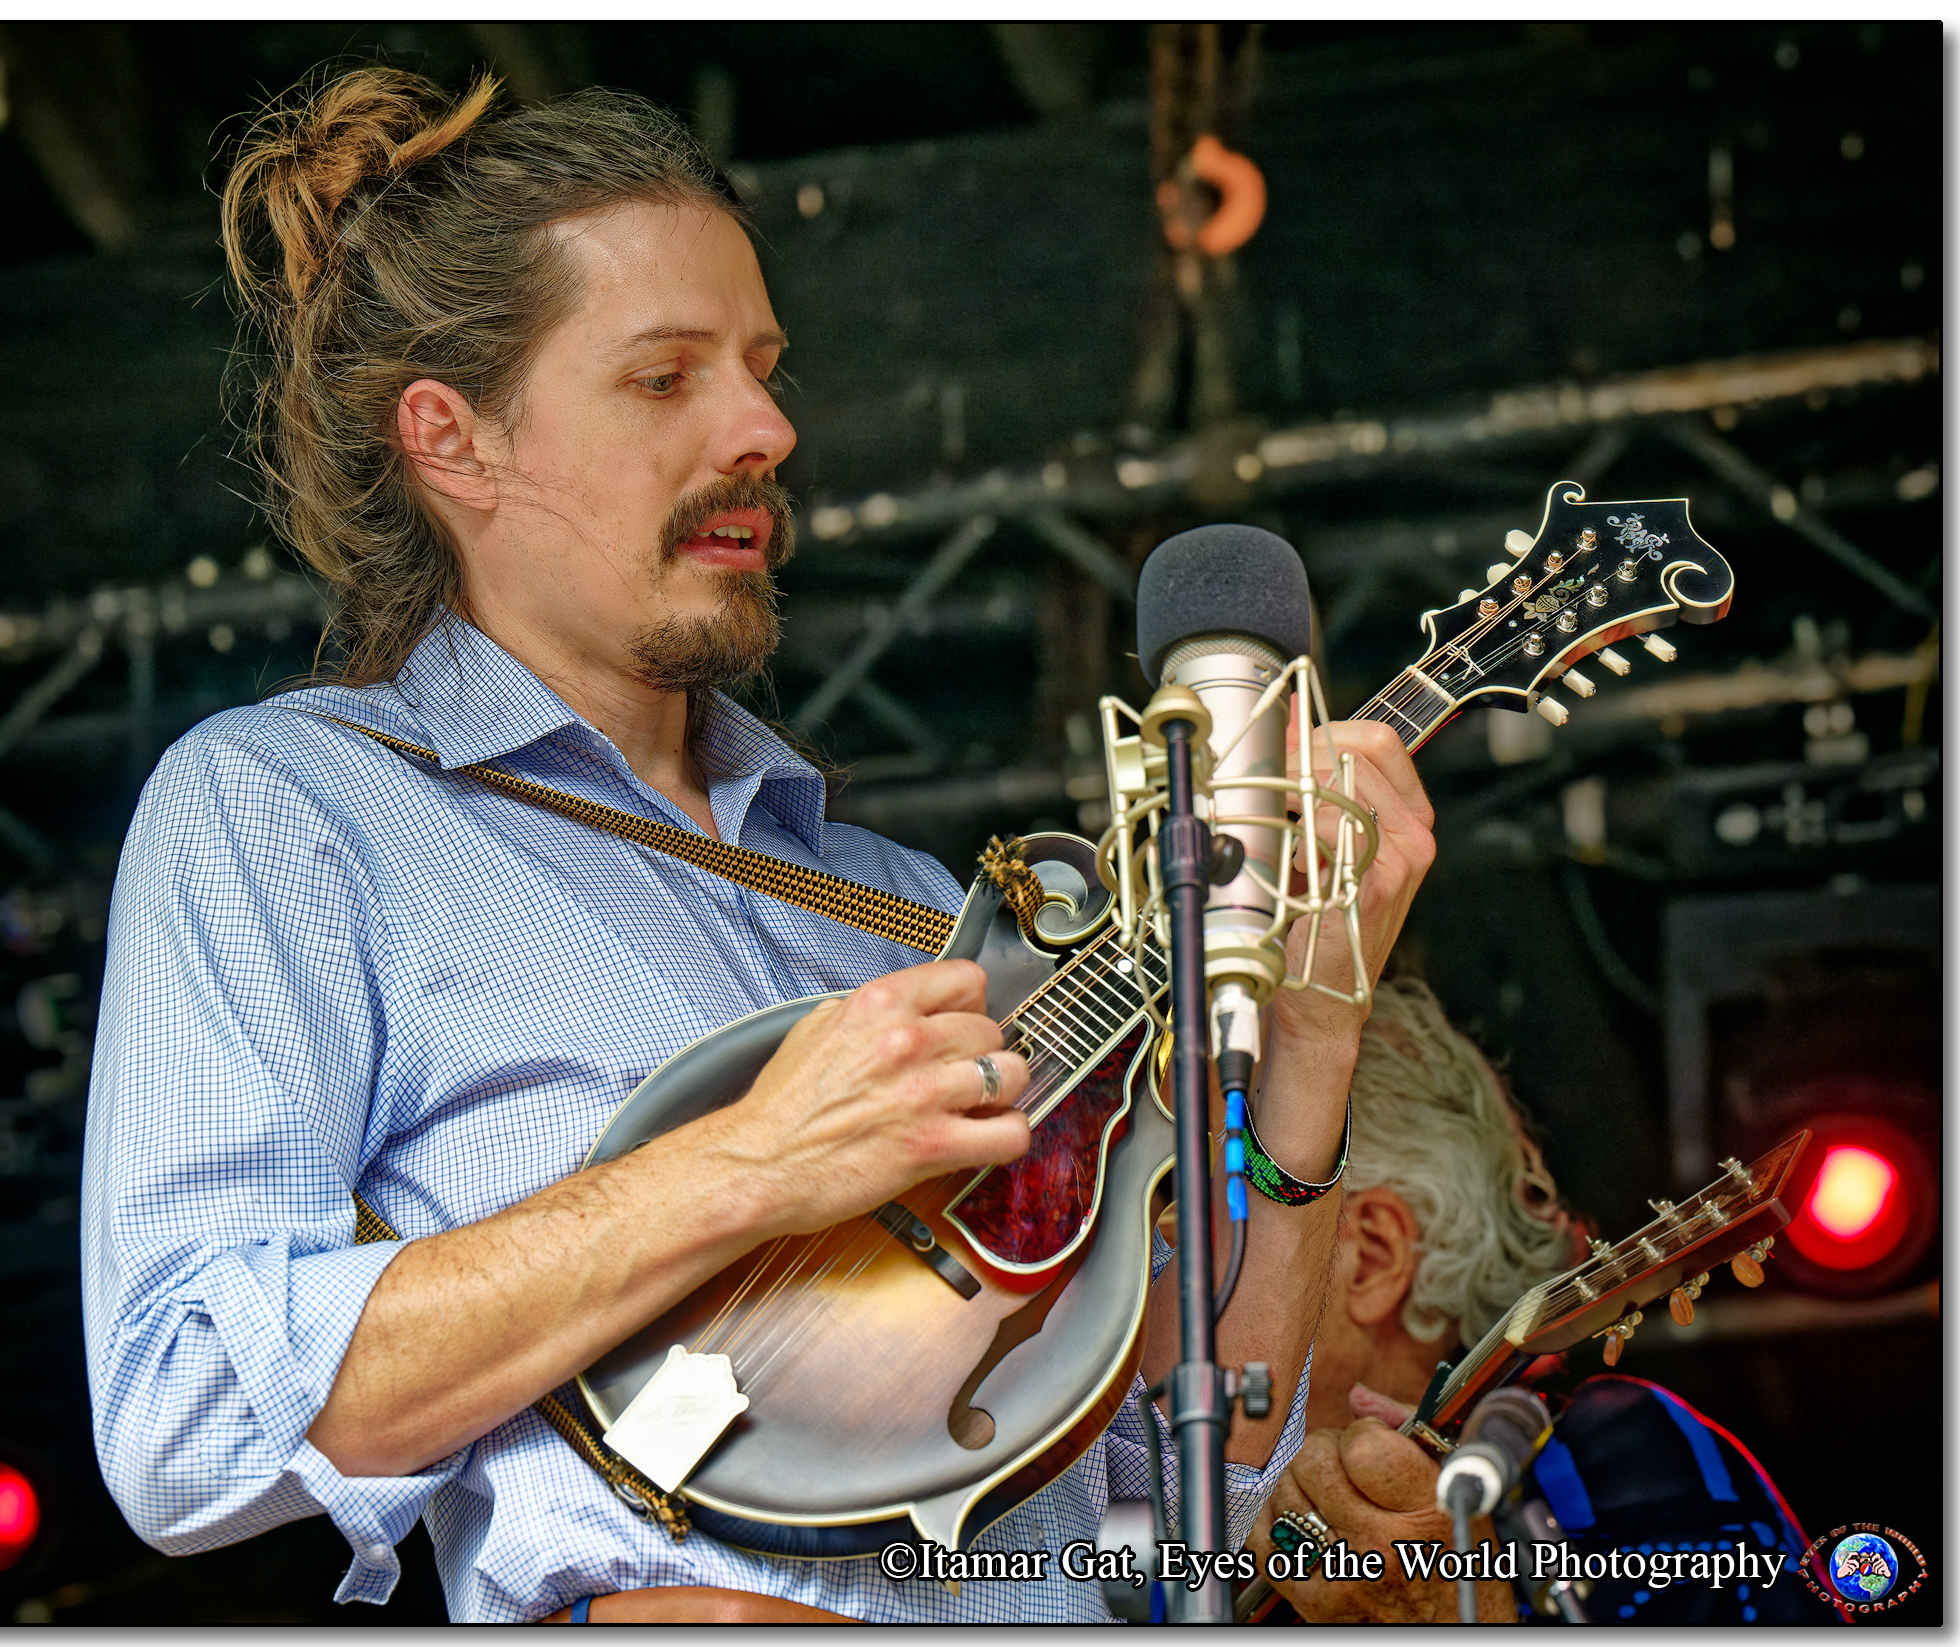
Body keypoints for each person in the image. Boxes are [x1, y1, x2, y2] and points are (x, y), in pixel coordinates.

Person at [78, 67, 1436, 1624]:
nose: (767, 427)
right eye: (665, 377)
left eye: (765, 370)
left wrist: (1314, 1028)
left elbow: (1185, 1498)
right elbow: (184, 1416)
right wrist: (747, 1161)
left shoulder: (914, 908)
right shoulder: (295, 808)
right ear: (454, 441)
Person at [1248, 979, 1836, 1624]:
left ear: (1372, 1256)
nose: (1166, 1261)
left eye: (1180, 1216)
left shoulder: (1616, 1471)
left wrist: (1450, 1614)